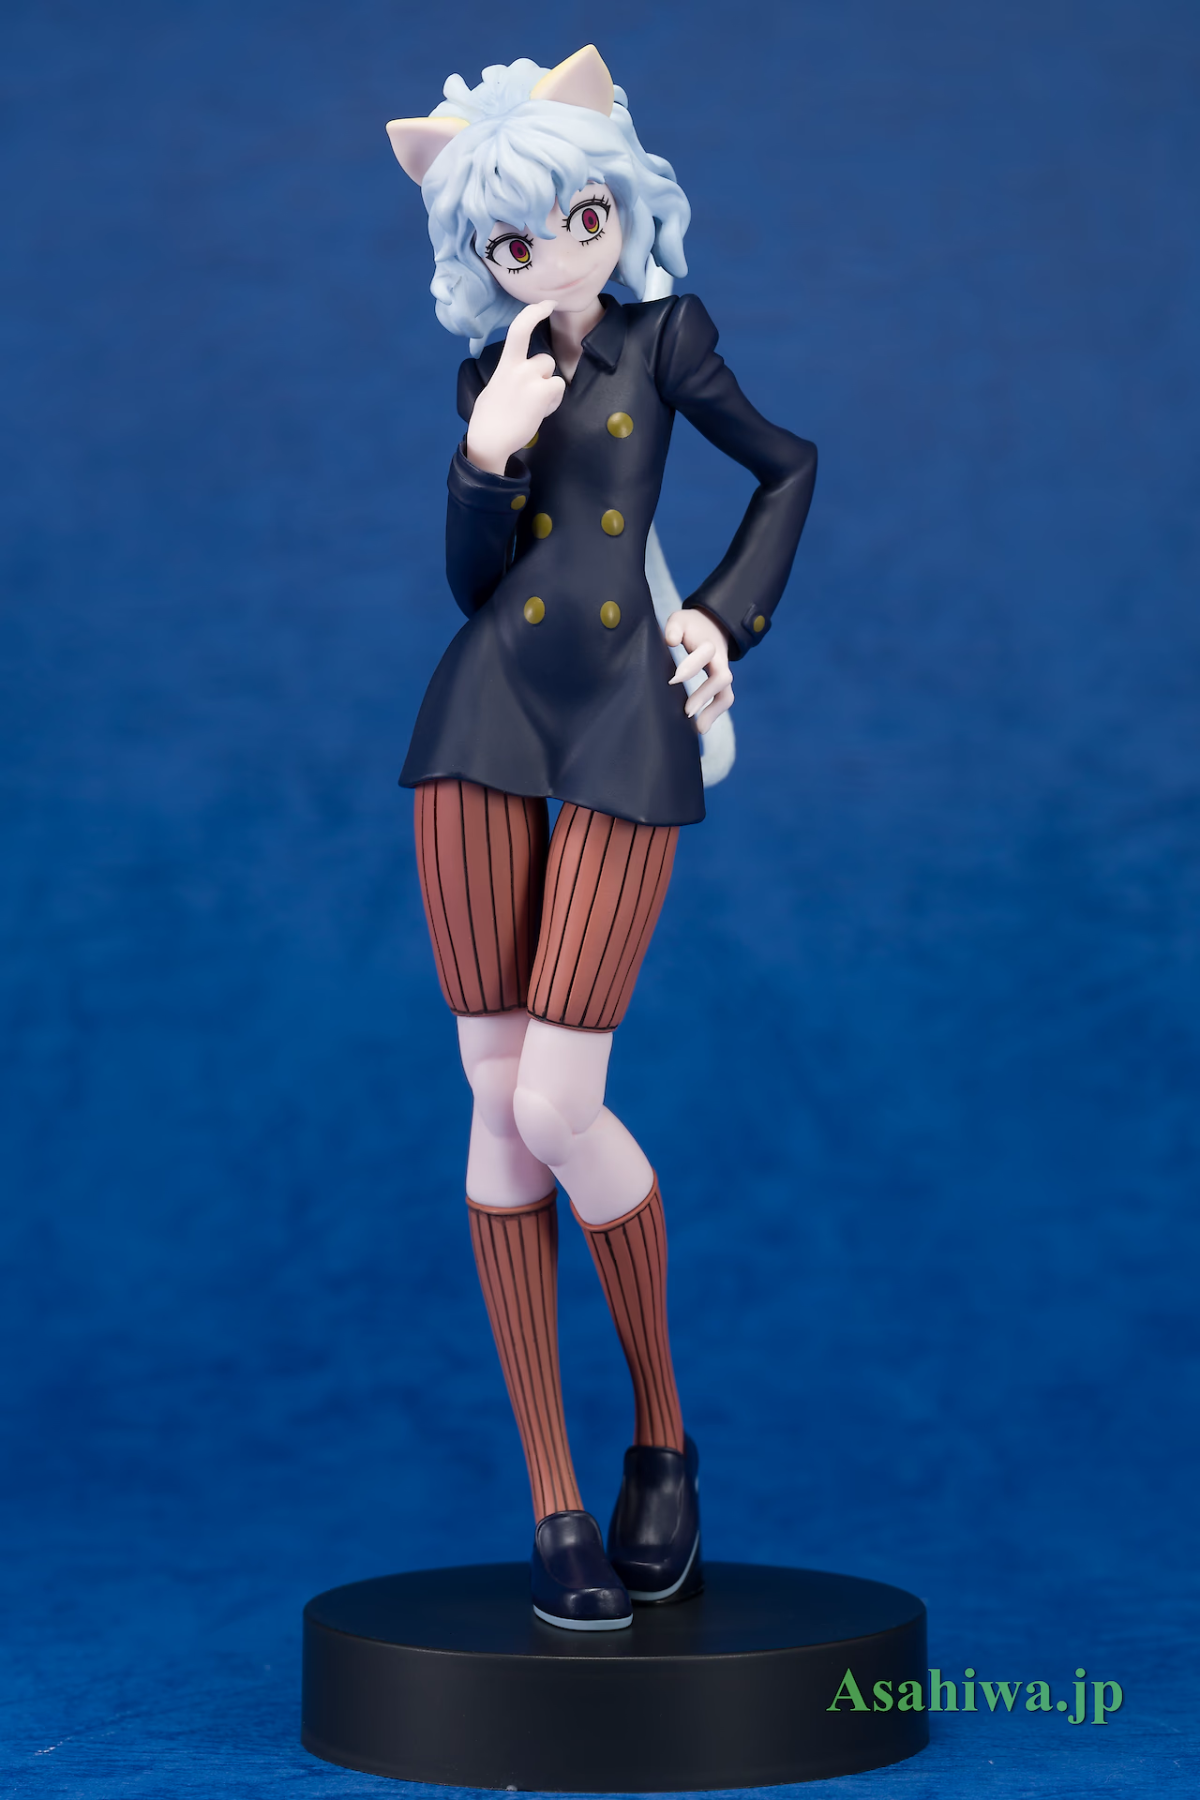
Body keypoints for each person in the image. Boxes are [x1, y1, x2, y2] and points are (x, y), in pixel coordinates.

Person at [386, 45, 817, 1630]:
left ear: (617, 205)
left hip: (627, 717)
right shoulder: (492, 373)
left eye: (574, 219)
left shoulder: (664, 337)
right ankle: (553, 1501)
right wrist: (485, 451)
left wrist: (722, 618)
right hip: (485, 718)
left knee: (561, 1100)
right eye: (512, 240)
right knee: (497, 1111)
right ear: (480, 258)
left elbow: (787, 466)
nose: (551, 255)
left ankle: (663, 1440)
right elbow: (473, 582)